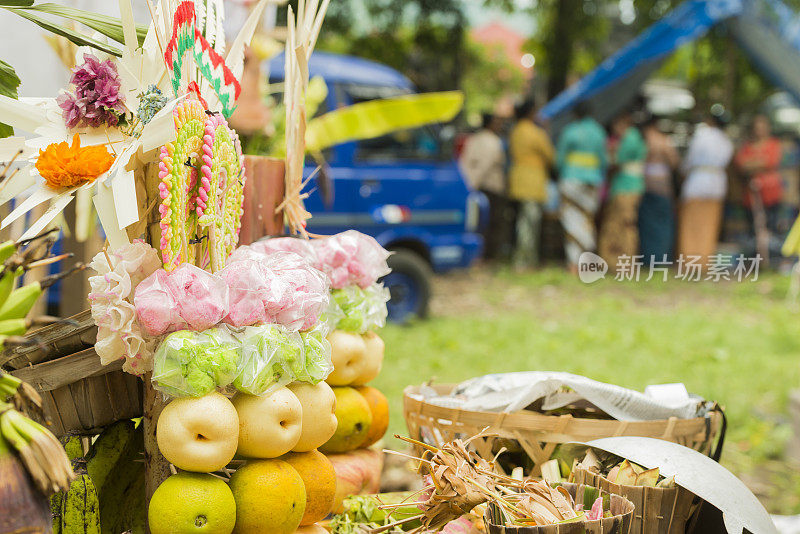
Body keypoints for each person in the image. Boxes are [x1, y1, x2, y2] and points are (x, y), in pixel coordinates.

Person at [556, 101, 607, 272]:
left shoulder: (570, 131)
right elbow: (604, 160)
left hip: (571, 179)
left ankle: (574, 263)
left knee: (571, 219)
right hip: (593, 180)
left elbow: (560, 159)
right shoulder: (599, 132)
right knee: (587, 220)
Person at [678, 109, 734, 266]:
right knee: (710, 224)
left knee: (691, 224)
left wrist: (682, 171)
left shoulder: (702, 135)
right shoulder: (726, 141)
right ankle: (703, 261)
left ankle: (689, 261)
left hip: (698, 180)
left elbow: (690, 159)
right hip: (717, 184)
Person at [508, 100, 555, 268]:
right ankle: (524, 260)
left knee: (524, 220)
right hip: (532, 180)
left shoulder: (515, 130)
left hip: (518, 178)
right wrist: (546, 130)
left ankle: (526, 259)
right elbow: (550, 155)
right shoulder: (535, 133)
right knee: (529, 223)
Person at [598, 111, 647, 267]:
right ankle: (615, 262)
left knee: (624, 225)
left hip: (626, 187)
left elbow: (617, 161)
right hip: (627, 187)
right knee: (617, 224)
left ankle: (623, 263)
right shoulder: (635, 137)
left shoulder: (630, 138)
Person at [459, 113, 509, 260]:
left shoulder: (473, 139)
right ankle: (487, 256)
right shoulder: (493, 141)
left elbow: (465, 162)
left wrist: (468, 183)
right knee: (491, 223)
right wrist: (474, 184)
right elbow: (484, 166)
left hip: (475, 185)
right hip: (490, 187)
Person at [734, 114, 784, 260]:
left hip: (771, 195)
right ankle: (756, 260)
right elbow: (741, 164)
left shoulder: (773, 144)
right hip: (751, 196)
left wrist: (754, 163)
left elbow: (771, 161)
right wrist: (759, 162)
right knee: (753, 229)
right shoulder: (747, 147)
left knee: (771, 228)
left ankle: (771, 258)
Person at [638, 116, 680, 261]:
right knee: (662, 224)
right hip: (662, 187)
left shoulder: (643, 140)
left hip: (646, 184)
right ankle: (660, 258)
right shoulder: (664, 141)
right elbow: (674, 162)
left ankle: (648, 258)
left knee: (647, 225)